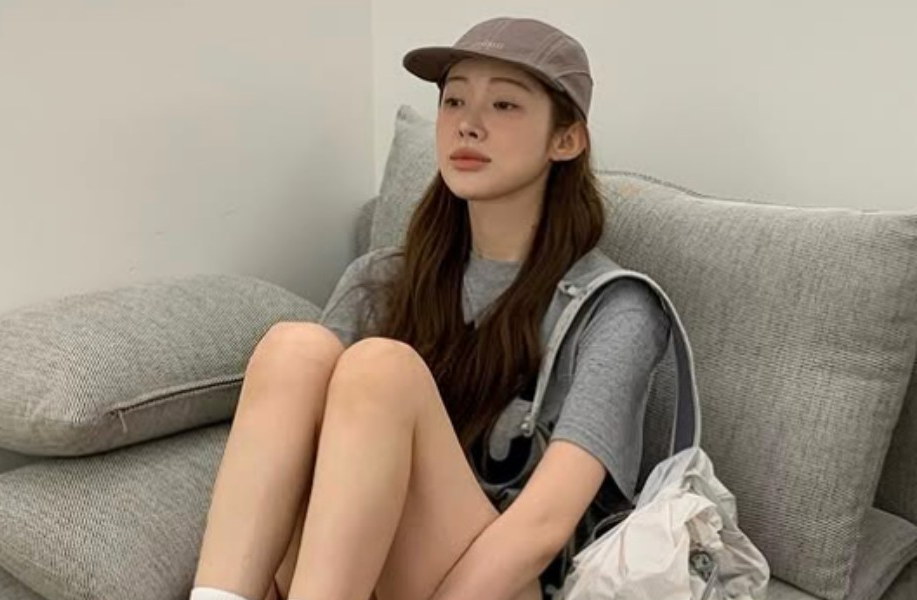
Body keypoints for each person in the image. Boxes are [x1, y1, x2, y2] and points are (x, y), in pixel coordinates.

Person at [190, 16, 670, 600]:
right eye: (454, 100)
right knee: (294, 347)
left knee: (382, 370)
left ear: (565, 139)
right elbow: (304, 480)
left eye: (504, 105)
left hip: (501, 587)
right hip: (348, 575)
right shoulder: (381, 279)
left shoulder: (614, 309)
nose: (468, 124)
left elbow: (542, 529)